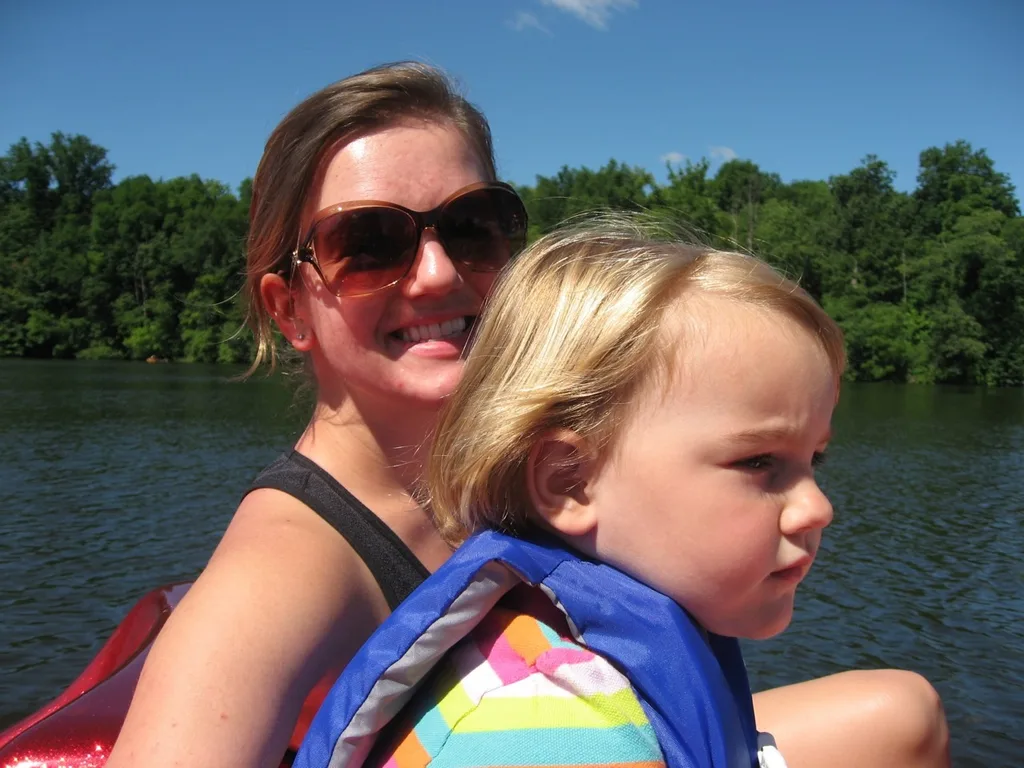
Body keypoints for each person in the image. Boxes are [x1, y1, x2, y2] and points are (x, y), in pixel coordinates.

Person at [106, 62, 949, 768]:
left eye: (473, 228)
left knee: (900, 714)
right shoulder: (281, 571)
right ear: (290, 309)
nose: (437, 274)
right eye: (369, 243)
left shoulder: (523, 468)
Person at [295, 215, 845, 768]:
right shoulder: (548, 731)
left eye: (813, 460)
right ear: (569, 482)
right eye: (759, 461)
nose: (817, 508)